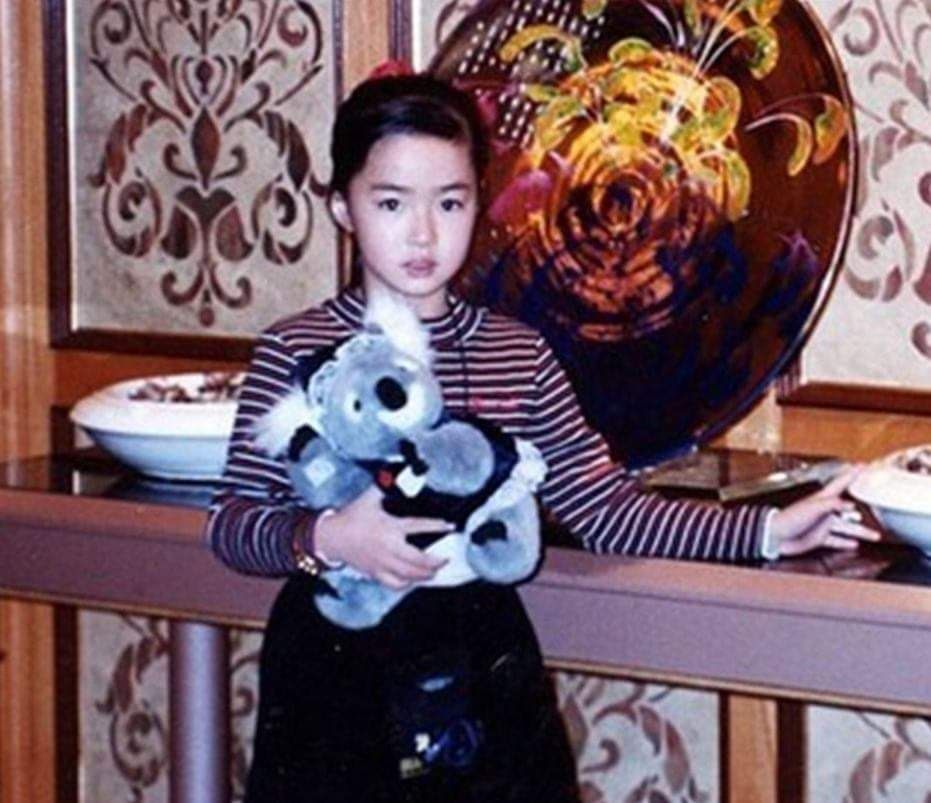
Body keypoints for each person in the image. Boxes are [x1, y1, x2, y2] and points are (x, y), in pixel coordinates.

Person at [205, 72, 877, 803]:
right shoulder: (294, 348)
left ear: (479, 203)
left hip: (482, 664)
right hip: (334, 678)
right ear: (342, 206)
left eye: (450, 202)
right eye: (391, 203)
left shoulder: (518, 352)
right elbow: (231, 523)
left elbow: (607, 510)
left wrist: (771, 531)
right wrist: (329, 537)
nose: (423, 233)